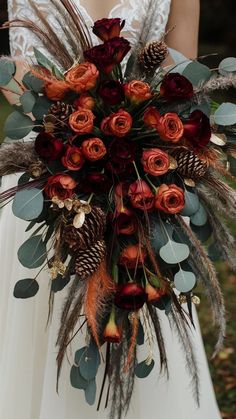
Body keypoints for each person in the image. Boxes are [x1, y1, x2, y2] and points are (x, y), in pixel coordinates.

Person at [0, 1, 221, 418]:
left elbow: (184, 84)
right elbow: (14, 78)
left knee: (143, 325)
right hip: (43, 177)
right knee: (39, 337)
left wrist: (136, 142)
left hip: (140, 190)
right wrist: (74, 136)